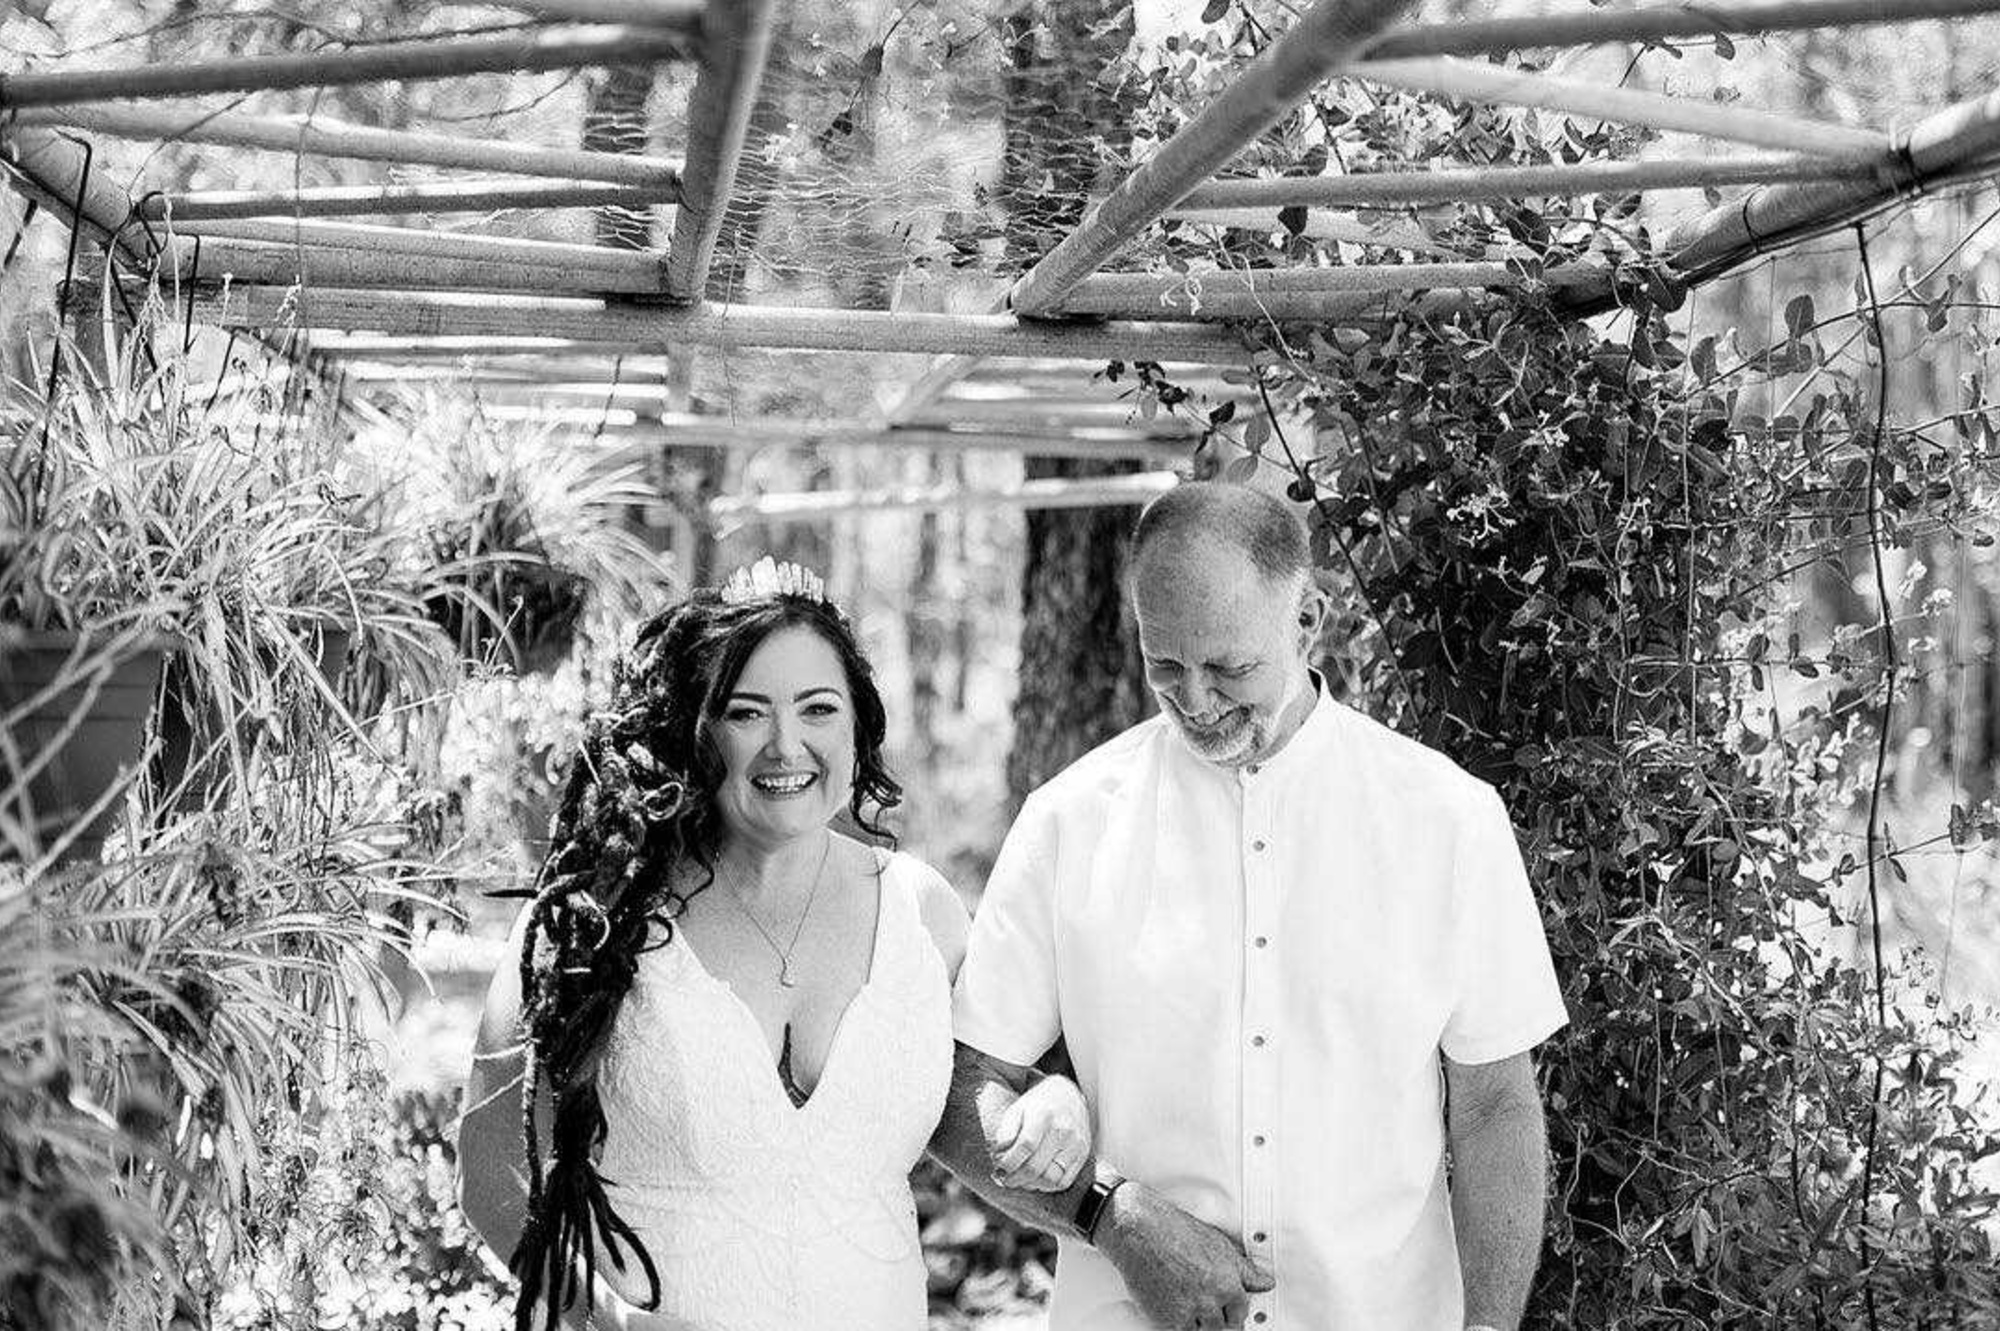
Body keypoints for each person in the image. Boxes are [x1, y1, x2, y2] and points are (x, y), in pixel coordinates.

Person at [931, 482, 1570, 1331]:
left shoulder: (1448, 819)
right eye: (1166, 665)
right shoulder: (1068, 819)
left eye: (1230, 667)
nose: (1195, 700)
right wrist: (1109, 1216)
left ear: (1308, 619)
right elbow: (961, 1088)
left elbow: (1494, 1105)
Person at [456, 557, 1093, 1331]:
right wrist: (616, 1320)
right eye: (746, 711)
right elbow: (491, 1175)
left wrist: (1060, 1100)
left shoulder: (922, 910)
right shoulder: (598, 915)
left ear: (857, 724)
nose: (785, 745)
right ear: (692, 727)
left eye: (818, 708)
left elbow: (1004, 1078)